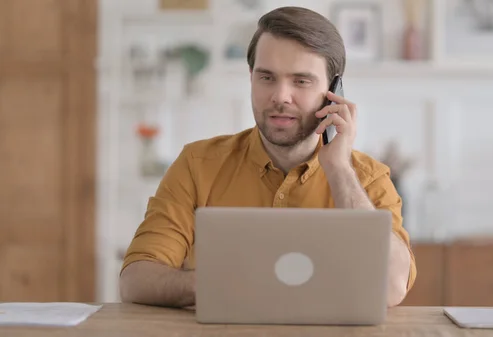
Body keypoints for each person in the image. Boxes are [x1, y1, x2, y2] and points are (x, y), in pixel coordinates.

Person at [119, 6, 417, 309]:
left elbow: (392, 287)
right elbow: (136, 280)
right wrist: (215, 284)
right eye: (267, 77)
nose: (280, 96)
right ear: (251, 78)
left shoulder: (369, 178)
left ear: (333, 91)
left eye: (301, 81)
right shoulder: (197, 164)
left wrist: (338, 168)